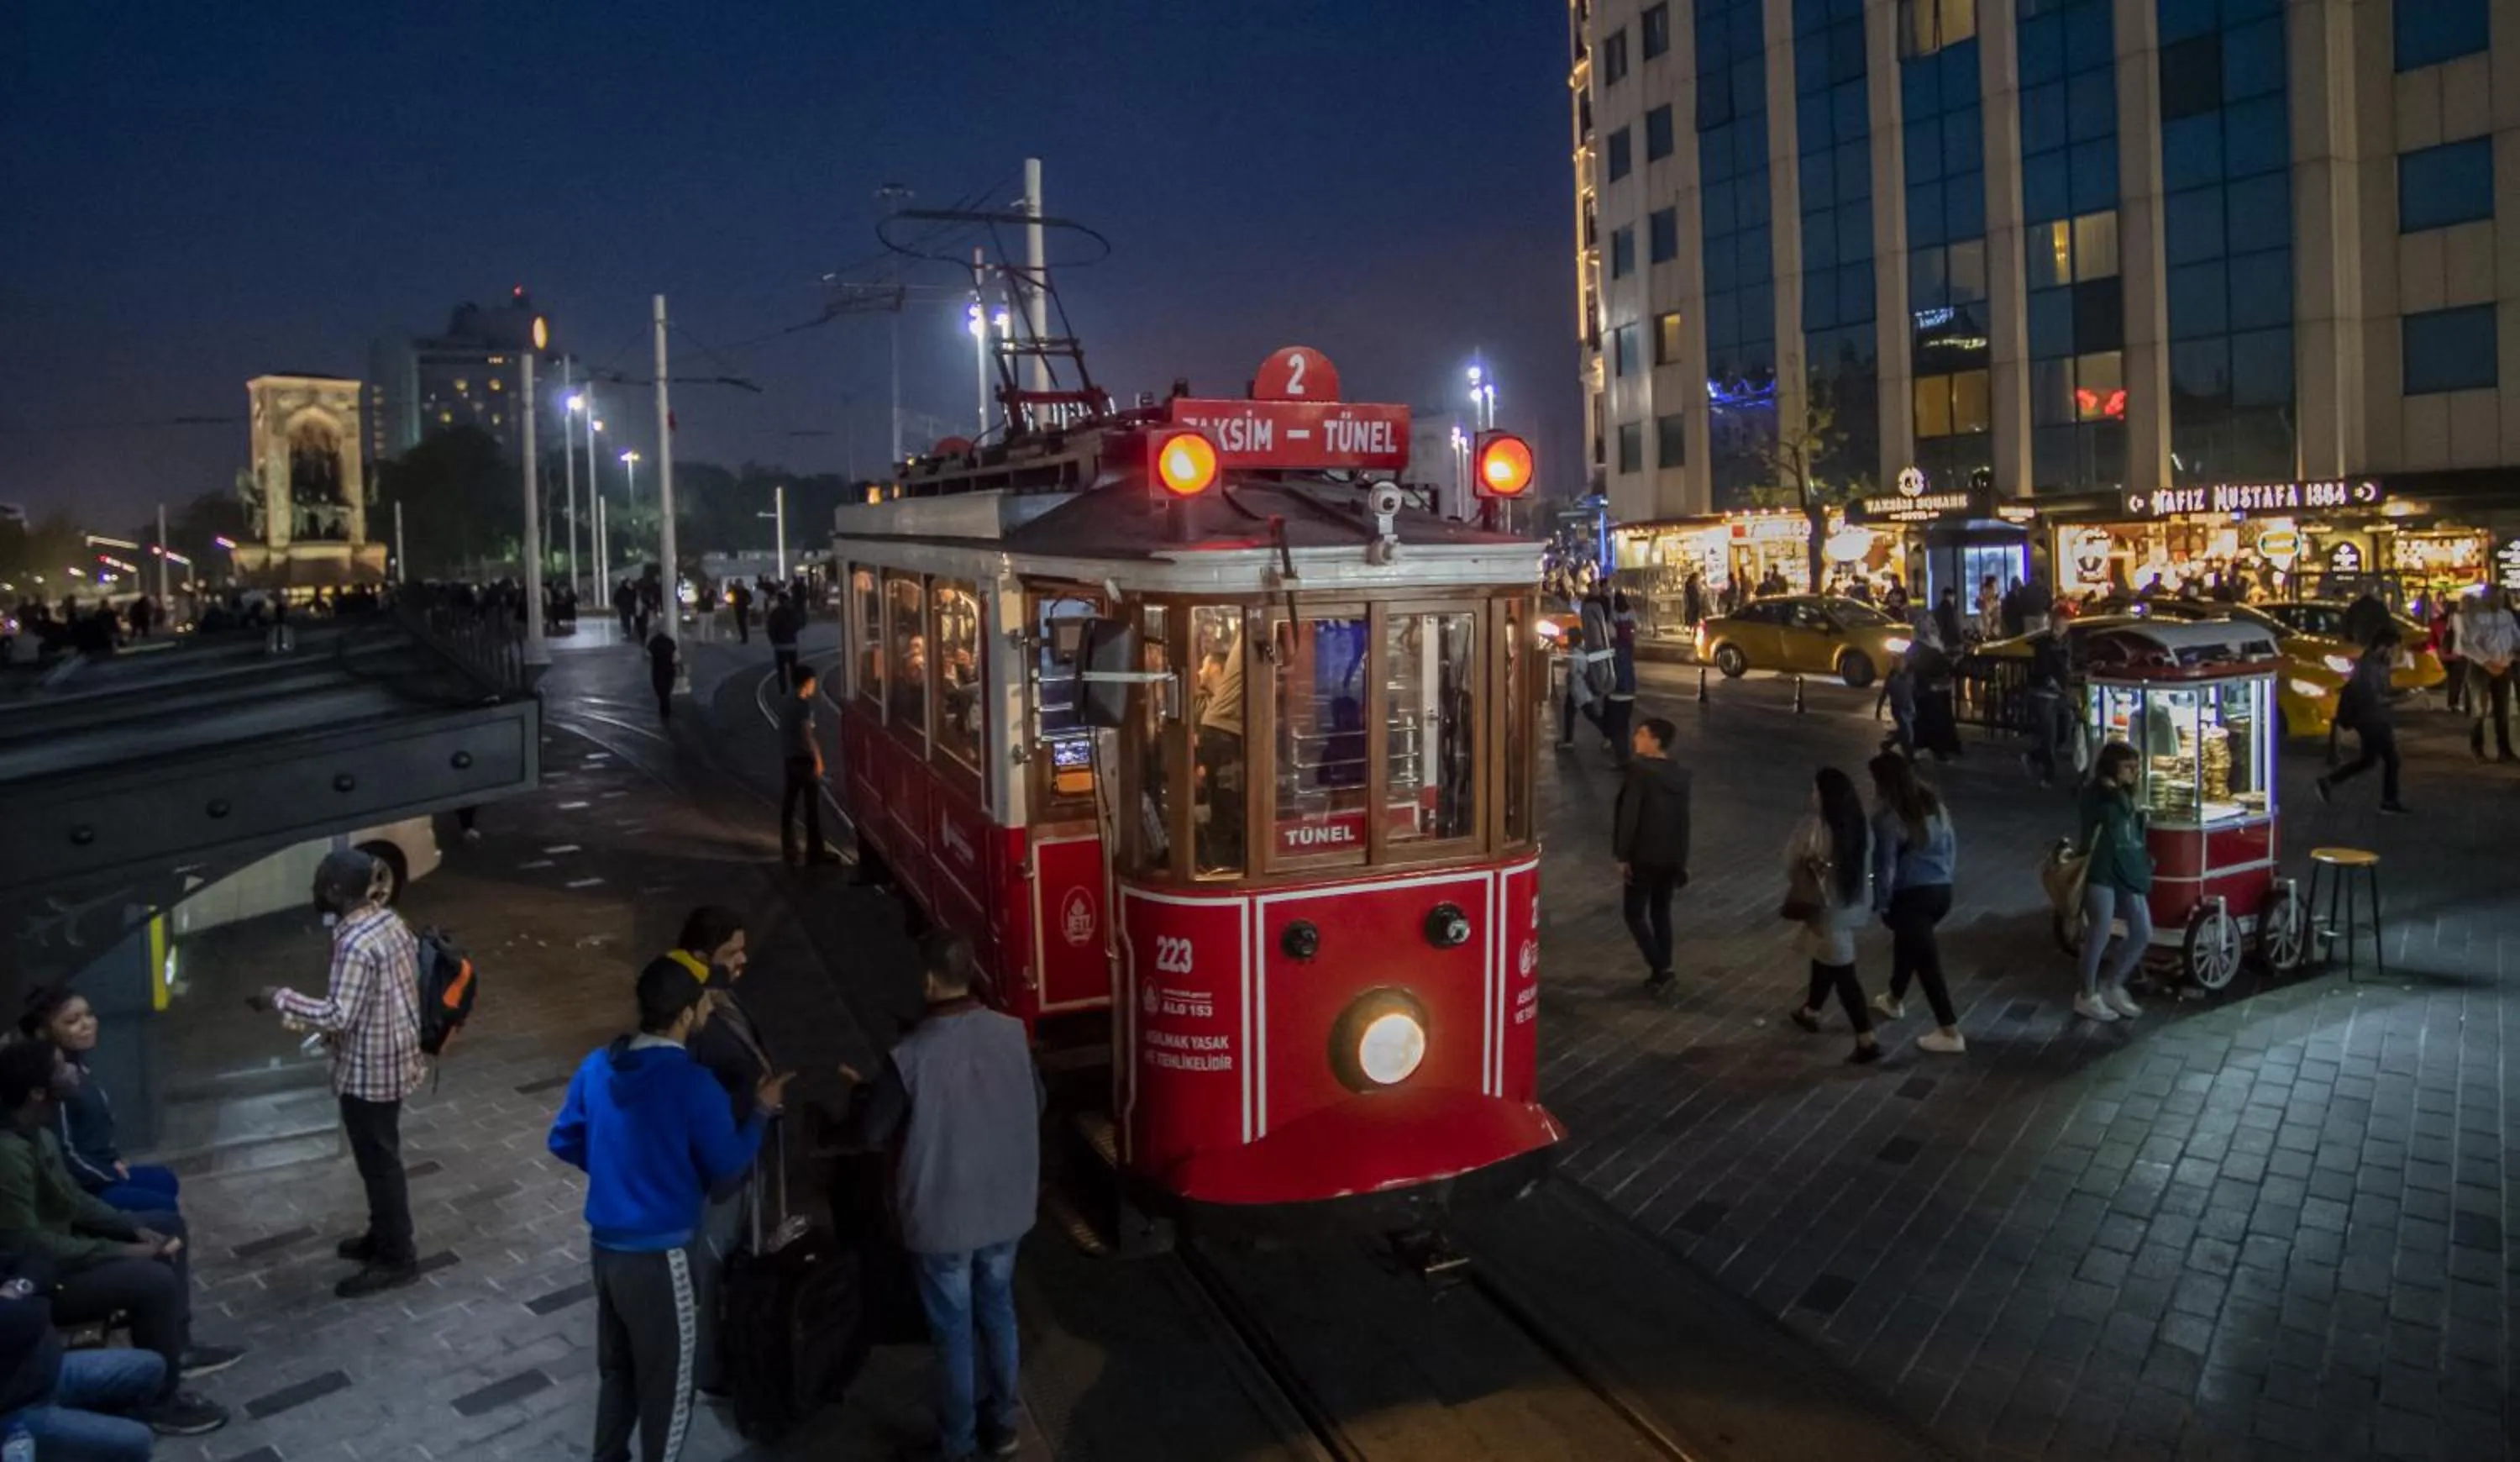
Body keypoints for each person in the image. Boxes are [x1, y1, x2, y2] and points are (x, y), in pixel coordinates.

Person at [549, 960, 787, 1462]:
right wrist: (763, 1111)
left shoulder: (599, 1064)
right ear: (683, 1015)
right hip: (661, 1256)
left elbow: (564, 1138)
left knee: (618, 1371)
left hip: (606, 1250)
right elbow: (726, 1164)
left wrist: (617, 1169)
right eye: (702, 1003)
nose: (707, 1010)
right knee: (669, 1385)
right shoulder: (694, 1084)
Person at [837, 931, 1042, 1462]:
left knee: (952, 1328)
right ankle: (1004, 1425)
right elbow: (1034, 1102)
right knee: (998, 1310)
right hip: (1005, 1207)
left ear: (928, 980)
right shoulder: (1012, 1034)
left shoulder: (910, 1055)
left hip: (942, 1215)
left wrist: (867, 1089)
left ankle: (958, 1441)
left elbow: (872, 1133)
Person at [0, 1040, 235, 1437]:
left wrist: (131, 1228)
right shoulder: (9, 1153)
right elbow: (31, 1245)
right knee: (153, 1280)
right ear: (38, 1091)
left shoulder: (38, 1132)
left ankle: (178, 1346)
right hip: (38, 1279)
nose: (73, 1071)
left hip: (61, 1248)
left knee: (165, 1224)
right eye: (61, 1069)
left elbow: (72, 1200)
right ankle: (158, 1400)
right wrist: (125, 1249)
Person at [251, 848, 425, 1297]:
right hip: (396, 1055)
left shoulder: (353, 942)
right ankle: (382, 1237)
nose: (313, 889)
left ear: (334, 890)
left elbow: (337, 1015)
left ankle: (396, 1257)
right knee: (379, 1159)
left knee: (380, 1164)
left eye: (318, 882)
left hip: (371, 1070)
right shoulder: (388, 921)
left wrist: (278, 998)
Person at [665, 907, 769, 1398]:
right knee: (711, 1268)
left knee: (728, 1262)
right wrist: (760, 1112)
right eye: (732, 952)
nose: (743, 959)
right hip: (719, 1172)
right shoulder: (693, 1021)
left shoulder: (721, 1001)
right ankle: (711, 1368)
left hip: (737, 1161)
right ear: (703, 959)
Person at [17, 987, 181, 1215]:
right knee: (163, 1205)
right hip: (82, 1186)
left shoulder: (77, 1066)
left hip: (100, 1169)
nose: (87, 1024)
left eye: (88, 1014)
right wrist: (109, 1175)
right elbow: (65, 1157)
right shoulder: (57, 1082)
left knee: (165, 1180)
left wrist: (114, 1161)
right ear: (43, 1033)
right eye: (72, 1021)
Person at [0, 1246, 171, 1459]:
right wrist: (29, 1290)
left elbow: (37, 1257)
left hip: (44, 1372)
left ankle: (86, 1438)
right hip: (12, 1415)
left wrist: (17, 1289)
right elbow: (30, 1318)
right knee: (137, 1440)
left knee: (150, 1366)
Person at [1866, 755, 1965, 1054]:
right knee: (1910, 945)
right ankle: (1894, 998)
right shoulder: (1935, 805)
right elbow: (1951, 848)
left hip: (1910, 896)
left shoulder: (1888, 818)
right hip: (1940, 892)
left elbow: (1886, 868)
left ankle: (1949, 1030)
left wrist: (1881, 904)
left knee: (1927, 962)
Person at [1784, 768, 1881, 1065]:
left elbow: (1791, 862)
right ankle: (1811, 1010)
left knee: (1843, 972)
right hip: (1850, 905)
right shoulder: (1860, 827)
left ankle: (1866, 1039)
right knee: (1823, 956)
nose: (1812, 796)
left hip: (1827, 908)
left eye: (1816, 791)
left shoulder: (1819, 830)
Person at [2075, 742, 2155, 1023]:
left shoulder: (2123, 794)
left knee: (2143, 930)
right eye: (2128, 767)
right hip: (2102, 870)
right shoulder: (2099, 795)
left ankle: (2112, 984)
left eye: (2135, 766)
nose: (2134, 772)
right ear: (2112, 767)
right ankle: (2087, 993)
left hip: (2127, 869)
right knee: (2100, 932)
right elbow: (2106, 818)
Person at [1611, 718, 1692, 995]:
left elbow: (1629, 816)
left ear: (1655, 741)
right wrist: (1681, 860)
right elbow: (1683, 821)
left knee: (1634, 913)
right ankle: (1663, 969)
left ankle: (1661, 968)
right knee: (1660, 912)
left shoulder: (1639, 772)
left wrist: (1623, 855)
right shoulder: (1680, 775)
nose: (1636, 738)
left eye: (1642, 734)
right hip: (1670, 855)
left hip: (1643, 855)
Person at [2318, 629, 2410, 814]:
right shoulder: (2368, 667)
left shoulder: (2379, 664)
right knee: (2391, 760)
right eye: (2393, 649)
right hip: (2369, 719)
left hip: (2374, 717)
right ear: (2383, 647)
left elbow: (2385, 691)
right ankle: (2388, 801)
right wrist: (2404, 700)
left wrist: (2403, 693)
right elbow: (2374, 698)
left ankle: (2328, 782)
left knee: (2368, 760)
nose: (2394, 654)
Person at [780, 665, 837, 865]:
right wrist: (818, 759)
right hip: (804, 761)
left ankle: (789, 848)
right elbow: (807, 733)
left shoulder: (786, 700)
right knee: (811, 807)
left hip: (790, 758)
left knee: (789, 804)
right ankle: (815, 853)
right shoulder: (802, 705)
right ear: (806, 682)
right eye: (813, 681)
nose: (814, 685)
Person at [2457, 587, 2517, 762]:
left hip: (2503, 666)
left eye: (2501, 598)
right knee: (2479, 710)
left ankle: (2504, 750)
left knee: (2502, 710)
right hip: (2480, 668)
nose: (2499, 601)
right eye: (2495, 598)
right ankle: (2478, 749)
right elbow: (2466, 644)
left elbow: (2514, 638)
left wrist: (2512, 655)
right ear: (2485, 598)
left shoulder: (2506, 616)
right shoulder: (2473, 616)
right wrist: (2487, 662)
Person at [2020, 628, 2071, 786]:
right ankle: (2048, 775)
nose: (2059, 631)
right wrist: (2053, 683)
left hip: (2059, 695)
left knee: (2062, 733)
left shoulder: (2067, 645)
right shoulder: (2044, 645)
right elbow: (2043, 670)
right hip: (2044, 695)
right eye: (2057, 626)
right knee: (2050, 735)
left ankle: (2034, 756)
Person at [1602, 591, 1638, 762]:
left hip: (1617, 694)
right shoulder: (1628, 651)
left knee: (1617, 727)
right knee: (1624, 726)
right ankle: (1626, 755)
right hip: (1629, 692)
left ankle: (1621, 758)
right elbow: (1636, 626)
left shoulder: (1612, 651)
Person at [767, 592, 803, 693]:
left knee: (781, 669)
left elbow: (771, 629)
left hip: (779, 646)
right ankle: (796, 686)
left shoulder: (775, 613)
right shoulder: (793, 612)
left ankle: (783, 688)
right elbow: (799, 624)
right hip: (792, 644)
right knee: (794, 667)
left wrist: (773, 640)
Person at [646, 628, 678, 723]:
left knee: (660, 689)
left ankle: (664, 708)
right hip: (669, 667)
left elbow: (649, 652)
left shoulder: (654, 642)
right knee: (667, 688)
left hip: (658, 668)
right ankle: (666, 708)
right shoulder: (670, 642)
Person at [728, 579, 753, 646]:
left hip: (743, 608)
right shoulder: (735, 591)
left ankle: (745, 638)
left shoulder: (745, 591)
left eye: (739, 583)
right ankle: (743, 637)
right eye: (737, 583)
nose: (738, 585)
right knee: (740, 623)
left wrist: (746, 602)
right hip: (737, 608)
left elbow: (750, 599)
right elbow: (730, 597)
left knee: (743, 623)